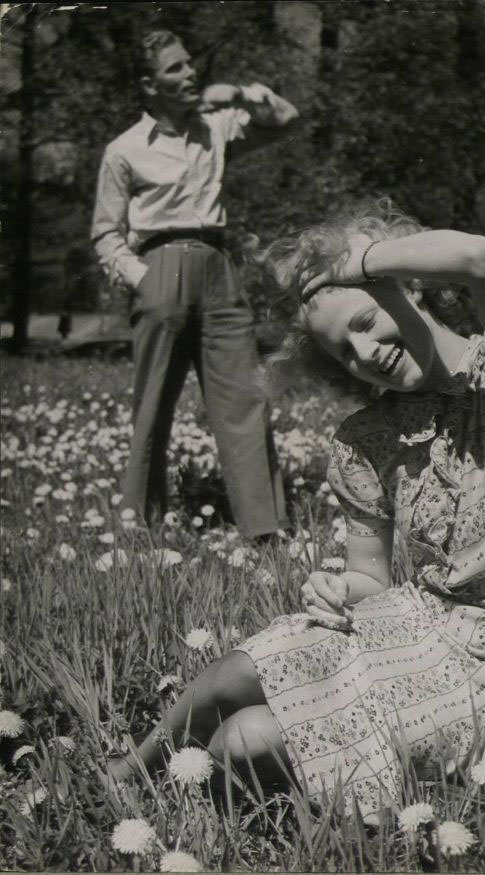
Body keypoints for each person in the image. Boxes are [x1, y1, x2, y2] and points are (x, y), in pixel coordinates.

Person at [107, 201, 485, 820]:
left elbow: (480, 259)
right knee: (237, 671)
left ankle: (277, 805)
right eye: (344, 351)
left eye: (366, 319)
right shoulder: (368, 439)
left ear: (411, 287)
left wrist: (359, 262)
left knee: (243, 737)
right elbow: (371, 578)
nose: (365, 350)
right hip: (419, 623)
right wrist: (334, 585)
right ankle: (122, 774)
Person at [91, 30, 297, 535]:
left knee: (244, 397)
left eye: (190, 65)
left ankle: (264, 528)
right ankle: (140, 523)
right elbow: (105, 234)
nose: (190, 74)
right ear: (148, 84)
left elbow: (287, 119)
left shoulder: (216, 128)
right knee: (154, 401)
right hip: (160, 266)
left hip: (217, 267)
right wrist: (144, 280)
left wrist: (245, 93)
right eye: (175, 69)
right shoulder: (125, 150)